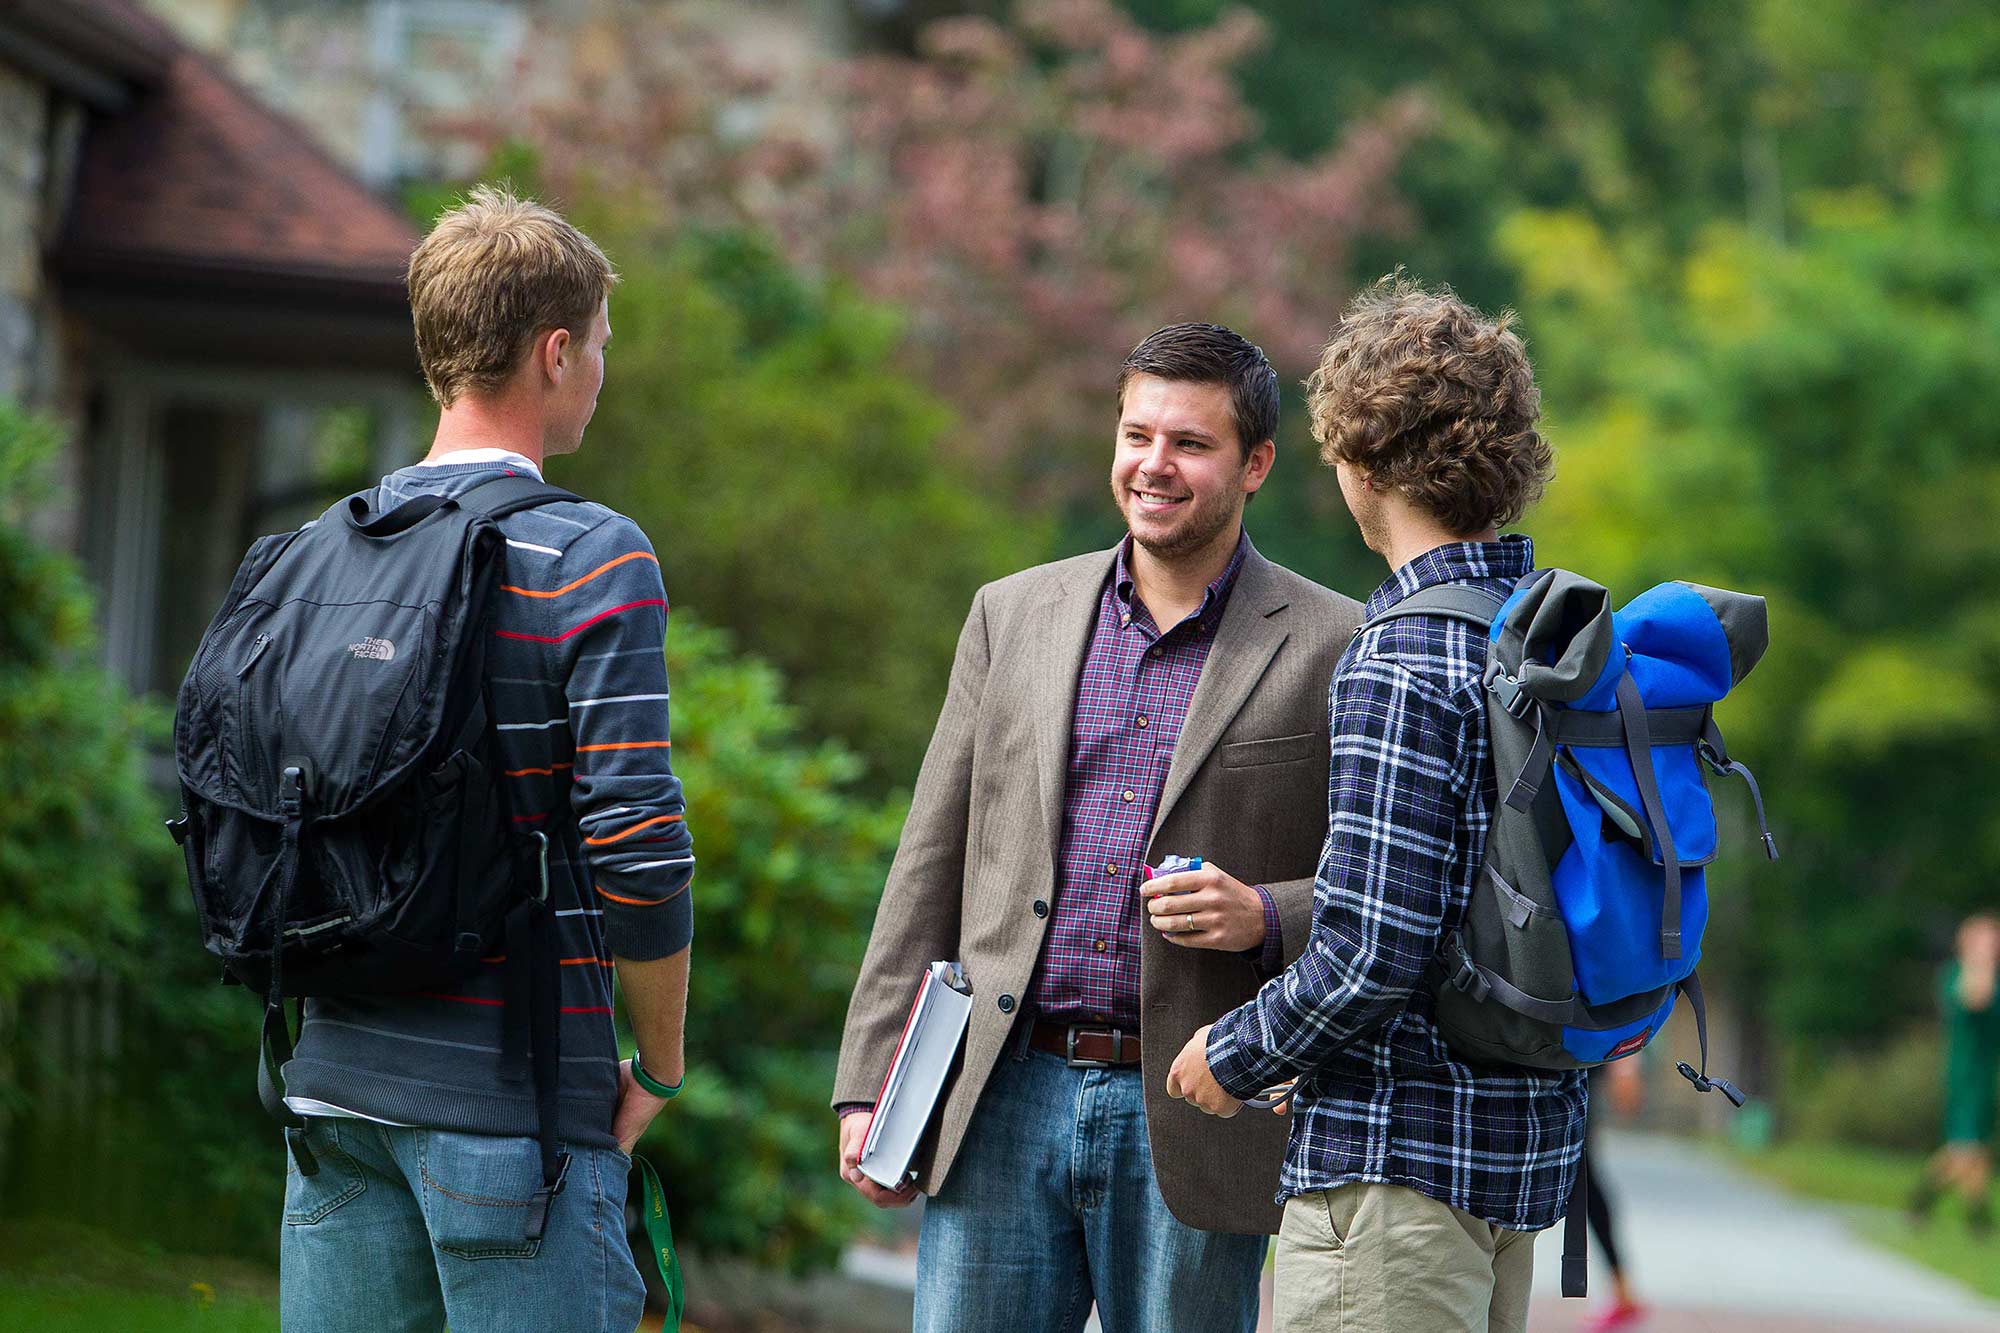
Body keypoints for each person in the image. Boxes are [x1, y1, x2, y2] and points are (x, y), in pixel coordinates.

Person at [831, 323, 1361, 1332]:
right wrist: (869, 1082)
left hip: (1195, 1102)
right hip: (996, 1090)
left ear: (1254, 464)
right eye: (1135, 434)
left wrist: (1266, 912)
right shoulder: (1009, 614)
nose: (1152, 465)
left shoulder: (1333, 642)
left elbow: (1380, 878)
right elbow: (930, 857)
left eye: (1188, 444)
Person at [276, 187, 692, 1333]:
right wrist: (656, 1061)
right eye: (601, 343)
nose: (602, 368)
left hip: (328, 1100)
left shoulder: (312, 553)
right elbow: (637, 843)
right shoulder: (588, 551)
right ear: (555, 353)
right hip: (513, 1115)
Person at [1168, 278, 1586, 1333]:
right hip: (1513, 1165)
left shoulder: (1398, 656)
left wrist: (1233, 1052)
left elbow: (1370, 947)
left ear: (1361, 459)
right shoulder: (1534, 640)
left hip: (1392, 1182)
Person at [1908, 912, 2000, 1238]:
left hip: (1986, 1076)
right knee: (1967, 1150)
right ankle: (1978, 1222)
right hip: (1963, 1074)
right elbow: (1975, 1000)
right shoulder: (1955, 975)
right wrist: (1980, 961)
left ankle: (1922, 1201)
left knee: (1974, 1151)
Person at [1582, 1061, 1649, 1332]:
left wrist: (1625, 1065)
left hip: (1572, 1066)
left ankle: (1624, 1293)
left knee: (1585, 1181)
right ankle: (1623, 1292)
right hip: (1565, 1062)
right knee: (1586, 1182)